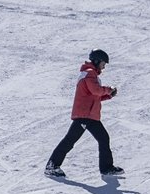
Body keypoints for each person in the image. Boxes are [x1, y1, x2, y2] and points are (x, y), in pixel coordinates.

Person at [44, 49, 123, 177]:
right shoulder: (89, 73)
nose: (104, 66)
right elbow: (96, 90)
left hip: (90, 116)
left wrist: (108, 96)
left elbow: (94, 95)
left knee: (103, 138)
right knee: (70, 140)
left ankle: (107, 168)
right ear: (97, 61)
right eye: (103, 63)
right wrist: (109, 89)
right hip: (84, 116)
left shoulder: (91, 74)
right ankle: (52, 166)